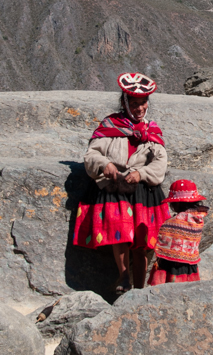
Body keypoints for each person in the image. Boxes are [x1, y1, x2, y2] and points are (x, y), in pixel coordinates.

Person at [73, 72, 171, 296]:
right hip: (115, 186)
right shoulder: (110, 125)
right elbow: (91, 155)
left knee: (142, 239)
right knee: (120, 229)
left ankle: (139, 286)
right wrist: (105, 164)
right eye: (135, 103)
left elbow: (160, 162)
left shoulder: (151, 131)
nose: (139, 108)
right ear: (125, 103)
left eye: (143, 103)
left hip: (143, 190)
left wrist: (142, 173)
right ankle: (123, 275)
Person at [147, 179, 209, 285]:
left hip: (170, 267)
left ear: (177, 203)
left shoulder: (175, 222)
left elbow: (163, 238)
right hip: (190, 266)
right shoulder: (198, 218)